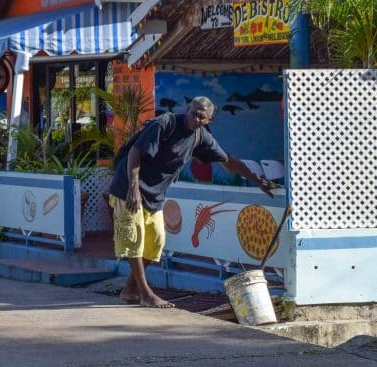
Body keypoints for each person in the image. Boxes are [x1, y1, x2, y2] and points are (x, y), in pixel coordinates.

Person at [107, 97, 275, 308]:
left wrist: (257, 180)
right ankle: (145, 293)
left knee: (156, 241)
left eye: (201, 116)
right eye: (193, 112)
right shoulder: (165, 124)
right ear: (188, 109)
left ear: (209, 121)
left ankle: (130, 288)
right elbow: (135, 153)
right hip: (128, 188)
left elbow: (228, 161)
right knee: (135, 241)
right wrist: (133, 188)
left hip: (154, 194)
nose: (195, 118)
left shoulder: (200, 137)